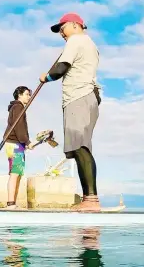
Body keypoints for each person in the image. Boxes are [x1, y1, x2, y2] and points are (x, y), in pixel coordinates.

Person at [40, 12, 102, 212]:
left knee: (81, 147)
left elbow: (60, 69)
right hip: (85, 97)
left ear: (76, 25)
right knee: (78, 148)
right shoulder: (90, 44)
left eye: (62, 27)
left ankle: (91, 200)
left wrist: (46, 77)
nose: (61, 33)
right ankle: (88, 199)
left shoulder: (76, 41)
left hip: (78, 97)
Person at [3, 86, 35, 209]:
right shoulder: (18, 107)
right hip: (15, 144)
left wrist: (25, 143)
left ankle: (13, 203)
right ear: (19, 95)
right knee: (15, 173)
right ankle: (10, 203)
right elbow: (19, 126)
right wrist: (27, 142)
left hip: (16, 144)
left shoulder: (17, 107)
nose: (29, 96)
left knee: (18, 173)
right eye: (27, 94)